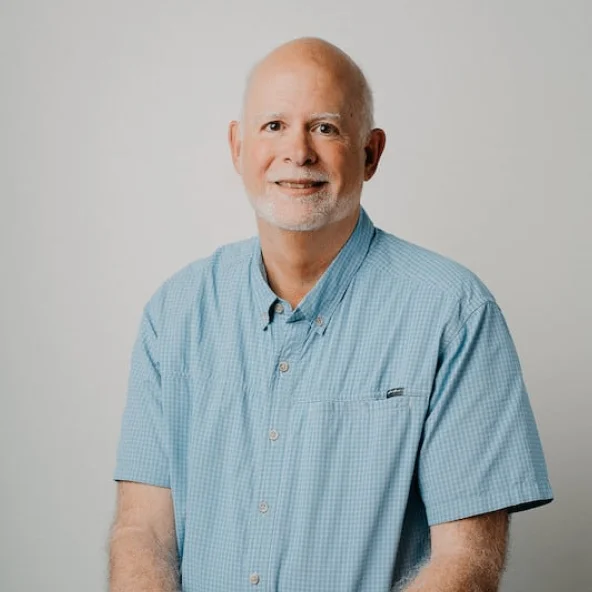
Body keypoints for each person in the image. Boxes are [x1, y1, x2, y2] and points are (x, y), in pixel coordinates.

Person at [108, 37, 553, 592]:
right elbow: (142, 532)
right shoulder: (173, 314)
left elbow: (465, 564)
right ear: (237, 147)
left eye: (325, 127)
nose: (298, 152)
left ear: (370, 153)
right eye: (274, 126)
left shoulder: (455, 316)